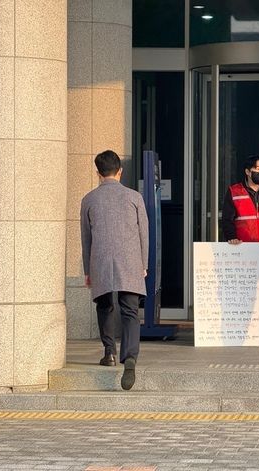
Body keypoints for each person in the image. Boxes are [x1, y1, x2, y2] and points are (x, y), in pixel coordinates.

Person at [80, 150, 149, 390]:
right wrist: (144, 264)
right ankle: (129, 357)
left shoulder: (89, 199)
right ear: (120, 170)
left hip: (100, 260)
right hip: (130, 261)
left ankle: (109, 352)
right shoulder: (134, 197)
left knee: (105, 305)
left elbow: (86, 238)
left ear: (97, 172)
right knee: (130, 311)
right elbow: (144, 234)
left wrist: (87, 269)